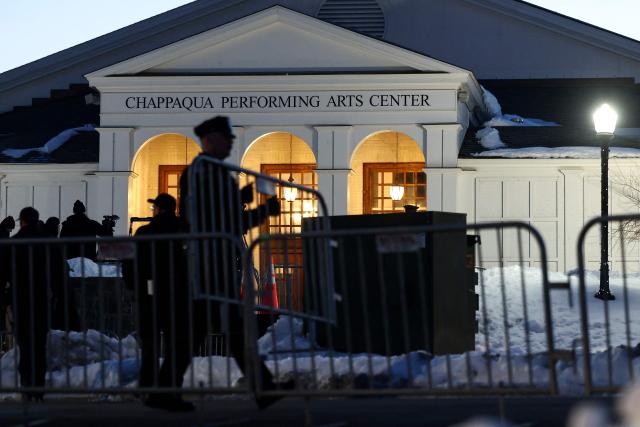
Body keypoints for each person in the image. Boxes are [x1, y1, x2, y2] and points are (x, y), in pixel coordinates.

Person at [178, 116, 284, 410]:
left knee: (222, 331)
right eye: (226, 137)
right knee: (220, 330)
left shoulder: (213, 172)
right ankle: (263, 388)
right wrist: (262, 211)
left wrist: (242, 198)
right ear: (210, 139)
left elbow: (222, 214)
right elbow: (220, 220)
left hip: (217, 262)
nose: (231, 142)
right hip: (210, 264)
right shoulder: (204, 172)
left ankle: (263, 388)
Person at [134, 193, 192, 411]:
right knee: (175, 343)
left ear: (158, 209)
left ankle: (147, 385)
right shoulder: (183, 230)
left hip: (149, 294)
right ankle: (170, 389)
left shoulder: (144, 232)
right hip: (177, 293)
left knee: (149, 344)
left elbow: (134, 263)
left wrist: (136, 287)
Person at [7, 207, 64, 400]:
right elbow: (58, 272)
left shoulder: (12, 243)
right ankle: (39, 386)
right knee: (40, 344)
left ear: (21, 220)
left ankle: (27, 386)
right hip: (42, 298)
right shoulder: (48, 242)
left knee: (24, 344)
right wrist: (57, 294)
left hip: (20, 297)